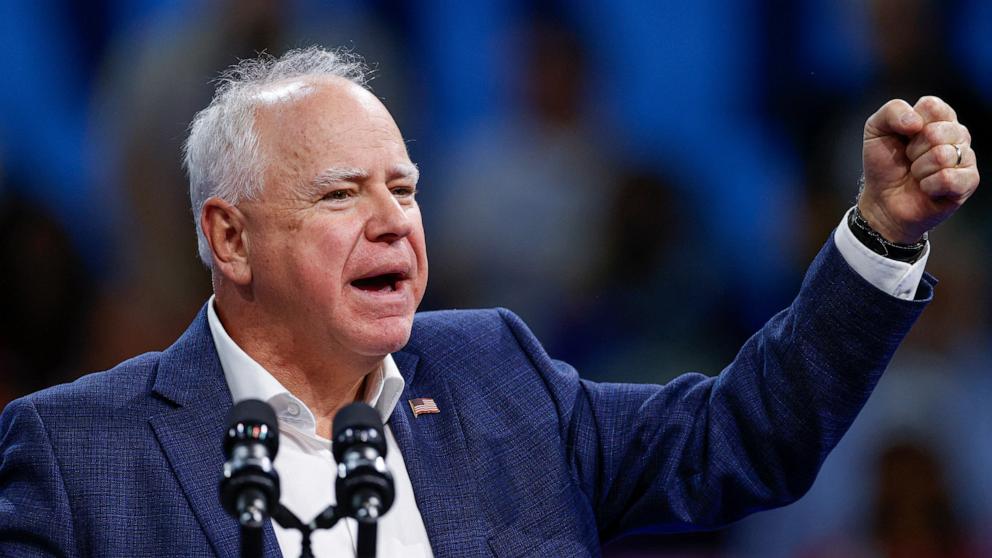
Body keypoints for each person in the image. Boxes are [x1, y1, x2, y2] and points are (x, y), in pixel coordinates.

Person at [0, 47, 980, 557]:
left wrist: (881, 235)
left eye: (406, 188)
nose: (393, 223)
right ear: (229, 238)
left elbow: (743, 434)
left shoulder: (495, 377)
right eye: (342, 194)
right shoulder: (82, 452)